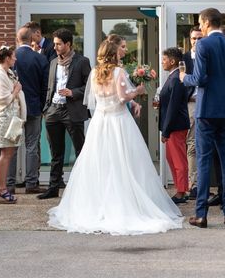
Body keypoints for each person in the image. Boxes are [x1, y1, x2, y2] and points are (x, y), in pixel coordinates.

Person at [47, 39, 182, 235]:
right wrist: (137, 91)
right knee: (124, 162)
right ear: (113, 53)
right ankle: (125, 203)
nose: (123, 51)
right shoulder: (118, 72)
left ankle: (98, 203)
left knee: (101, 163)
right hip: (118, 122)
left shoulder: (94, 73)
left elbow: (93, 100)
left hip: (100, 122)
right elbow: (121, 98)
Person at [181, 8, 225, 229]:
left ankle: (202, 214)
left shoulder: (203, 45)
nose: (200, 27)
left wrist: (184, 77)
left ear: (207, 22)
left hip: (207, 111)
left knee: (203, 160)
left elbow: (199, 78)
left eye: (200, 23)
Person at [38, 29, 91, 200]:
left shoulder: (82, 61)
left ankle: (84, 187)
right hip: (53, 110)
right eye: (54, 44)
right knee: (56, 152)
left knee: (80, 150)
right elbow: (50, 86)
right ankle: (53, 188)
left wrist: (72, 92)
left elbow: (89, 87)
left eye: (58, 44)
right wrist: (46, 108)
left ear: (68, 44)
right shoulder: (53, 62)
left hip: (72, 111)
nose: (55, 47)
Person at [7, 27, 48, 195]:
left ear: (17, 39)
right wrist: (42, 105)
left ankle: (10, 183)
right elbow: (45, 86)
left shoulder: (10, 58)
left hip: (15, 108)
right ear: (31, 38)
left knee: (12, 145)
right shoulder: (39, 58)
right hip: (33, 107)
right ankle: (31, 183)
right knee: (32, 145)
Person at [0, 45, 26, 204]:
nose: (15, 59)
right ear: (7, 58)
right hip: (5, 119)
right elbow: (1, 99)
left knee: (9, 153)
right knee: (6, 154)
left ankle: (2, 188)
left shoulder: (8, 72)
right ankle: (1, 189)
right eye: (13, 56)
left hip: (13, 118)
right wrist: (16, 91)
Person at [158, 47, 191, 204]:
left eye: (164, 59)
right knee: (171, 158)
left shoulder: (177, 78)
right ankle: (180, 188)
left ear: (172, 61)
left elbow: (174, 106)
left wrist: (166, 130)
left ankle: (181, 191)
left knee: (178, 160)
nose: (162, 62)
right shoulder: (172, 77)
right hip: (173, 125)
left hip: (176, 126)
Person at [183, 26, 202, 200]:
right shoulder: (185, 58)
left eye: (199, 38)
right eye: (194, 39)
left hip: (208, 104)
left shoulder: (208, 56)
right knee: (192, 144)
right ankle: (194, 185)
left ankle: (204, 184)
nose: (196, 42)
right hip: (191, 104)